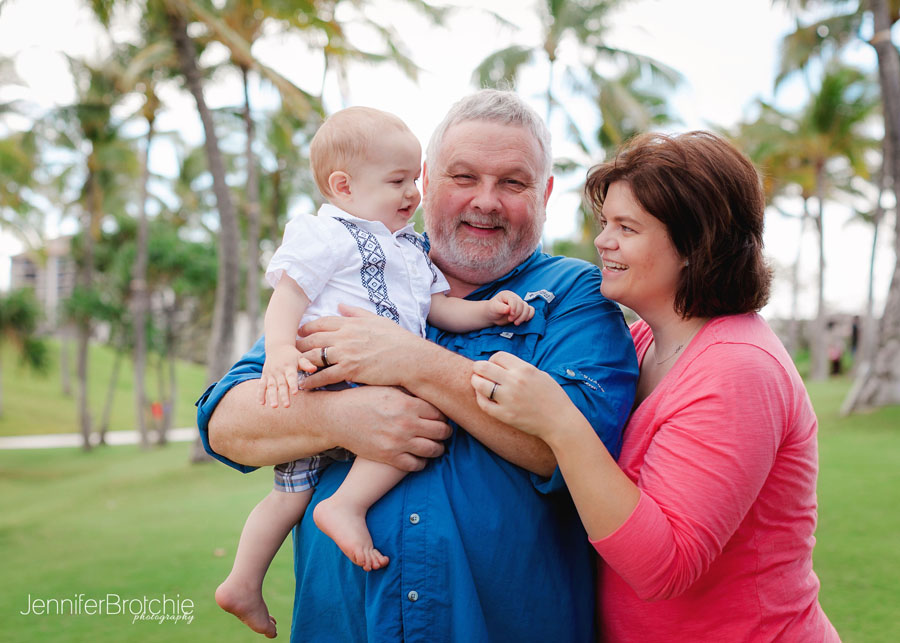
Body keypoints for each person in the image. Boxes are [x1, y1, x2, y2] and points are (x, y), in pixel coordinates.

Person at [196, 90, 639, 642]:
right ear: (425, 180)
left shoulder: (576, 297)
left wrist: (414, 363)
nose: (486, 201)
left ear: (545, 193)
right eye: (463, 177)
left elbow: (581, 454)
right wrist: (341, 417)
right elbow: (227, 423)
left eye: (513, 182)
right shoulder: (350, 268)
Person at [470, 131, 840, 641]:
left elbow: (664, 568)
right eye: (606, 223)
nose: (603, 241)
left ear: (694, 244)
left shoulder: (737, 368)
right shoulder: (642, 340)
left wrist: (559, 422)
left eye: (628, 227)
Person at [214, 106, 535, 638]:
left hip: (363, 374)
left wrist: (489, 310)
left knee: (290, 496)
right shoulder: (328, 234)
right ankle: (341, 506)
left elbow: (439, 310)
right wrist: (277, 353)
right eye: (397, 181)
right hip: (335, 371)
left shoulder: (409, 249)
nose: (412, 192)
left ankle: (242, 582)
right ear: (343, 185)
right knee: (419, 419)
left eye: (414, 178)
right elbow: (287, 297)